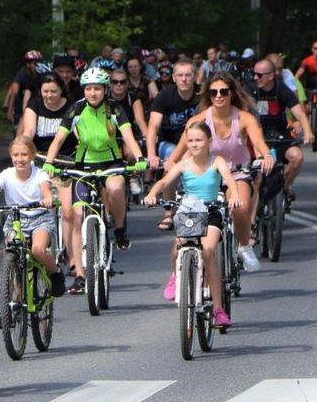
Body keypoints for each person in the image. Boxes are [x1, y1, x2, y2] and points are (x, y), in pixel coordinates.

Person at [164, 72, 275, 272]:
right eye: (213, 92)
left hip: (237, 173)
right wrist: (170, 162)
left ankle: (244, 246)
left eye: (223, 91)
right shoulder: (199, 120)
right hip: (208, 176)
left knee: (240, 207)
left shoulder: (244, 118)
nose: (218, 96)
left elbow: (258, 141)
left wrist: (266, 156)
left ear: (231, 93)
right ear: (208, 95)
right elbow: (180, 148)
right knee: (191, 215)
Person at [42, 67, 147, 261]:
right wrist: (48, 162)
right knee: (77, 214)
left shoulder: (114, 108)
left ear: (104, 89)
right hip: (83, 164)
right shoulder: (76, 109)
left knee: (116, 188)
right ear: (83, 90)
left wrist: (140, 158)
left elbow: (127, 136)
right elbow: (58, 140)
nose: (92, 93)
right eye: (88, 88)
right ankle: (82, 259)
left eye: (97, 88)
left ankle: (119, 229)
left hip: (110, 162)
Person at [144, 121, 242, 327]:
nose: (194, 144)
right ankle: (175, 276)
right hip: (190, 210)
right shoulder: (184, 164)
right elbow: (164, 181)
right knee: (178, 247)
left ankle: (218, 309)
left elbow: (230, 182)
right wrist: (153, 193)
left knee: (207, 251)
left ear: (208, 141)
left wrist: (234, 196)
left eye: (198, 140)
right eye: (190, 141)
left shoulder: (218, 162)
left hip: (212, 210)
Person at [20, 70, 81, 290]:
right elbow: (29, 131)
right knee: (35, 206)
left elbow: (78, 134)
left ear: (61, 90)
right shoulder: (34, 106)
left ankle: (73, 259)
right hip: (40, 160)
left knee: (68, 211)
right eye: (45, 91)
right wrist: (22, 154)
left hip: (66, 161)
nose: (48, 96)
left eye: (53, 91)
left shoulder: (71, 107)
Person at [0, 136, 67, 297]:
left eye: (24, 155)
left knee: (37, 250)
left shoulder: (39, 174)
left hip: (39, 219)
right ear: (11, 155)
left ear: (32, 156)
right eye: (16, 155)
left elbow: (45, 188)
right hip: (15, 220)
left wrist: (47, 198)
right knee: (9, 253)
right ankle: (10, 298)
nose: (20, 159)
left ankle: (55, 273)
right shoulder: (6, 175)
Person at [146, 59, 201, 230]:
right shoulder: (164, 97)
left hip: (198, 143)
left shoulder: (203, 96)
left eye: (188, 75)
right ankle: (169, 212)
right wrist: (151, 154)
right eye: (180, 75)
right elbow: (153, 126)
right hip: (168, 142)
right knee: (171, 162)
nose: (184, 79)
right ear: (174, 78)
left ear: (194, 77)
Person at [251, 58, 313, 201]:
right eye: (254, 74)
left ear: (271, 76)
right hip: (257, 136)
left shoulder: (281, 89)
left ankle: (285, 185)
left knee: (297, 157)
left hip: (280, 135)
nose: (255, 78)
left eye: (259, 75)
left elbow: (299, 112)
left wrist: (308, 132)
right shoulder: (250, 89)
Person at [4, 50, 42, 128]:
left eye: (39, 63)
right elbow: (14, 93)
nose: (38, 66)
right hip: (20, 107)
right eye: (35, 63)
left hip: (37, 107)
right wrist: (10, 111)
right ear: (28, 64)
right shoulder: (21, 75)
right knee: (18, 128)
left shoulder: (41, 75)